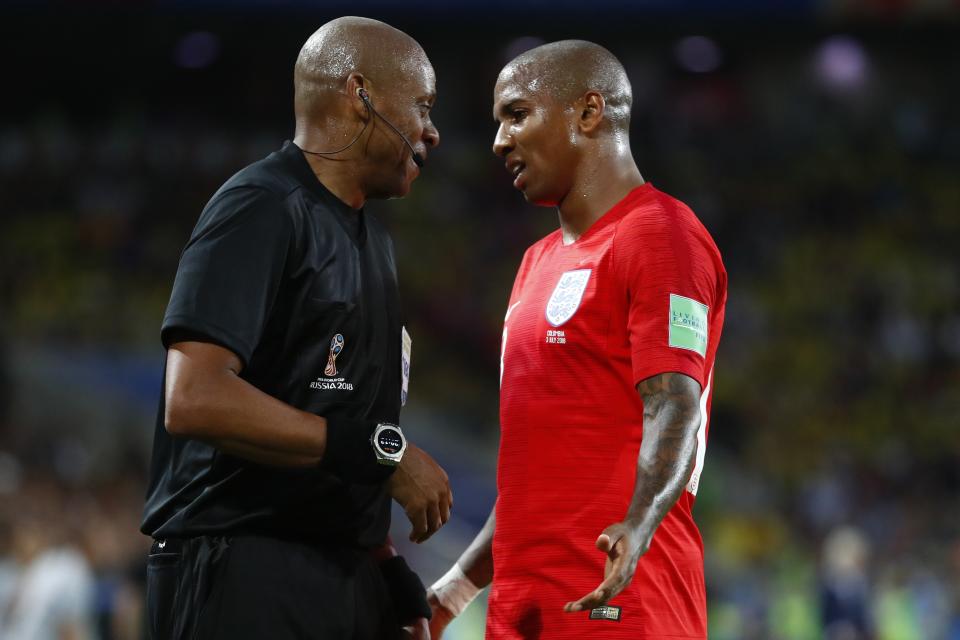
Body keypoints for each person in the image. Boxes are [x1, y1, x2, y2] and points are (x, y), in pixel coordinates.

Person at [140, 16, 451, 640]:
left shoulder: (375, 244)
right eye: (421, 105)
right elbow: (194, 397)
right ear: (361, 95)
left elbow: (338, 428)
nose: (433, 132)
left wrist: (385, 570)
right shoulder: (261, 206)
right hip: (241, 568)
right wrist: (379, 454)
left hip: (336, 574)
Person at [428, 40, 727, 639]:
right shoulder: (535, 263)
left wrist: (637, 524)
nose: (499, 141)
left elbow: (675, 403)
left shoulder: (661, 236)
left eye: (517, 115)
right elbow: (533, 475)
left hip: (620, 602)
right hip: (523, 609)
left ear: (589, 113)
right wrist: (455, 589)